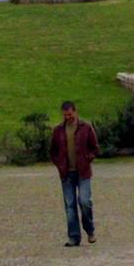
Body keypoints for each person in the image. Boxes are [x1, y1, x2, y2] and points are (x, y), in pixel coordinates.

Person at [49, 100, 99, 246]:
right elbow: (53, 151)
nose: (67, 117)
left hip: (83, 171)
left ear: (75, 112)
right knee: (70, 206)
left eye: (69, 114)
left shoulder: (86, 127)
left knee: (85, 202)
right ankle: (74, 237)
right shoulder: (58, 130)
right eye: (65, 115)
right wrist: (59, 164)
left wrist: (88, 158)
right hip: (66, 173)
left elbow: (95, 147)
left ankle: (90, 230)